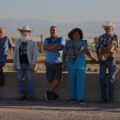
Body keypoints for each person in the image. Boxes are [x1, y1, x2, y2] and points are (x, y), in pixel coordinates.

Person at [62, 28, 97, 104]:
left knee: (80, 82)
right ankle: (73, 98)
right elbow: (64, 54)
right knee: (72, 82)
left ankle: (81, 98)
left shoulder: (83, 43)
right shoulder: (68, 43)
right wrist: (64, 64)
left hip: (81, 66)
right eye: (75, 34)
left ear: (80, 35)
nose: (76, 36)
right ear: (72, 35)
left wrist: (93, 58)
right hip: (71, 65)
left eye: (78, 34)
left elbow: (87, 52)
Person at [96, 21, 119, 104]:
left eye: (110, 28)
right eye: (107, 28)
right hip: (102, 60)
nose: (108, 29)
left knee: (111, 79)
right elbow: (97, 48)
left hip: (111, 59)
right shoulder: (101, 37)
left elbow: (118, 49)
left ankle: (110, 98)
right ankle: (103, 97)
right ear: (105, 29)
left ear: (112, 28)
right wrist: (99, 57)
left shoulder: (116, 37)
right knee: (102, 78)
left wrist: (114, 49)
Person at [14, 25, 38, 101]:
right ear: (21, 32)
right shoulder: (18, 42)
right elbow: (15, 54)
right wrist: (15, 64)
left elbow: (35, 53)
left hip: (29, 64)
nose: (24, 33)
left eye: (26, 32)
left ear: (29, 33)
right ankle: (23, 95)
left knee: (30, 80)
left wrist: (33, 63)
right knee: (20, 80)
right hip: (19, 64)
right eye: (23, 31)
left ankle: (31, 96)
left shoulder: (33, 42)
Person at [43, 26, 65, 101]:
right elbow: (45, 48)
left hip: (58, 63)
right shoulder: (47, 39)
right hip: (48, 63)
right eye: (51, 30)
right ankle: (54, 95)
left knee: (58, 78)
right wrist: (55, 46)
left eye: (54, 30)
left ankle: (48, 93)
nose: (52, 31)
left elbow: (60, 48)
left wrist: (50, 48)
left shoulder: (61, 39)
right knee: (50, 80)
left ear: (57, 31)